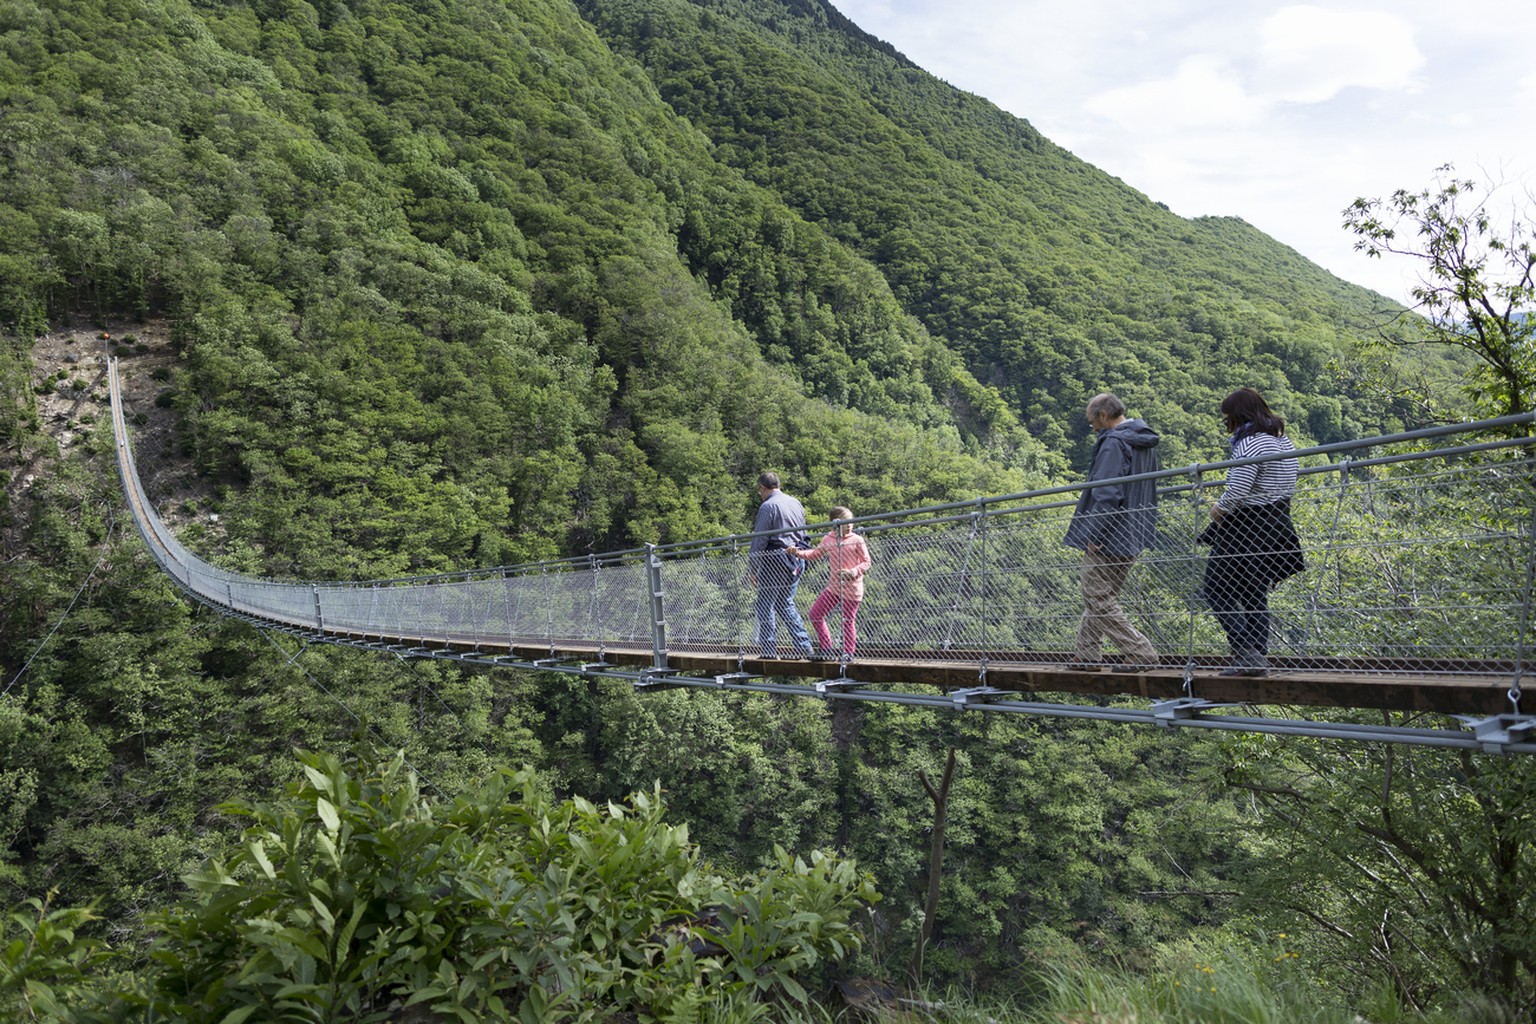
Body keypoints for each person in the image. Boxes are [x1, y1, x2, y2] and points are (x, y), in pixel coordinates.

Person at [1201, 387, 1305, 677]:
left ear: (1238, 415)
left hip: (1245, 526)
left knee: (1216, 588)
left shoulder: (1250, 444)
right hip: (1277, 521)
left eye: (1228, 418)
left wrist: (1217, 510)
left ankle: (1246, 651)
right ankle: (1257, 653)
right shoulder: (1283, 441)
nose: (1227, 424)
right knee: (1253, 592)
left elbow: (1238, 489)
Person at [1062, 392, 1161, 668]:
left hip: (1109, 534)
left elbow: (1106, 494)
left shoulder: (1113, 442)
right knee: (1101, 597)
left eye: (1092, 421)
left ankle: (1141, 653)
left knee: (1096, 595)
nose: (1092, 427)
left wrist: (1093, 533)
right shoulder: (1142, 440)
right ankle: (1088, 653)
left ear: (1103, 416)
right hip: (1134, 530)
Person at [789, 507, 872, 659]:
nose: (849, 525)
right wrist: (797, 552)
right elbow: (815, 554)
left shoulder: (857, 540)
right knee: (815, 614)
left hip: (853, 587)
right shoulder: (829, 539)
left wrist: (852, 572)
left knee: (847, 620)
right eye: (845, 522)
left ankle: (848, 653)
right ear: (835, 524)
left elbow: (867, 562)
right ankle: (826, 649)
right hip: (834, 587)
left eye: (851, 522)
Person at [749, 471, 814, 658]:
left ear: (762, 487)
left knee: (765, 605)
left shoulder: (767, 507)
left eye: (759, 491)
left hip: (774, 559)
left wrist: (753, 569)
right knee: (785, 603)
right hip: (796, 558)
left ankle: (769, 651)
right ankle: (804, 647)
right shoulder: (795, 502)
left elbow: (760, 540)